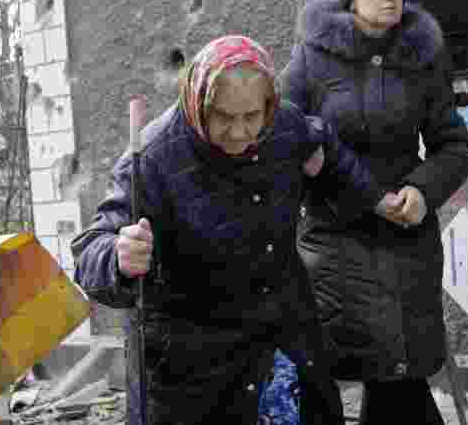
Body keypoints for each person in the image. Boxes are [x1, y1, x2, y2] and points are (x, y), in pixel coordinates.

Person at [71, 35, 406, 425]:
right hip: (195, 367)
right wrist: (117, 257)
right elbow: (89, 250)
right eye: (224, 117)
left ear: (268, 106)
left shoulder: (284, 124)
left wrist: (377, 199)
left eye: (251, 116)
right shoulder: (152, 159)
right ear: (198, 102)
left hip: (284, 339)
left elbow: (327, 151)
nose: (240, 132)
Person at [280, 0, 468, 425]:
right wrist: (351, 191)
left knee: (400, 369)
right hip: (338, 235)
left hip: (407, 235)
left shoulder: (422, 59)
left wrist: (422, 192)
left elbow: (453, 145)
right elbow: (286, 132)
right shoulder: (311, 58)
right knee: (366, 367)